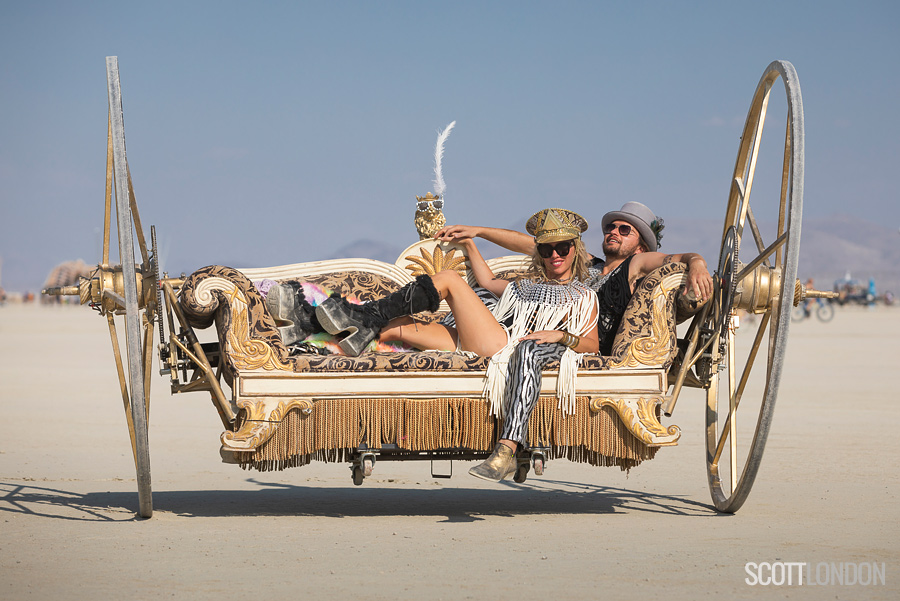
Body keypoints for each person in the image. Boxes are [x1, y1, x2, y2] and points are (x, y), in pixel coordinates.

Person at [436, 202, 714, 481]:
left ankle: (508, 449)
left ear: (641, 246)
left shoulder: (634, 265)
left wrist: (698, 264)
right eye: (611, 226)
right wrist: (478, 232)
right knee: (485, 297)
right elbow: (532, 244)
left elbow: (680, 258)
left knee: (528, 347)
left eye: (625, 230)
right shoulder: (585, 264)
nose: (614, 231)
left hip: (578, 346)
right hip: (536, 330)